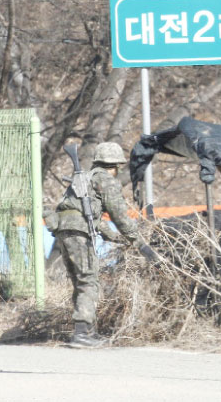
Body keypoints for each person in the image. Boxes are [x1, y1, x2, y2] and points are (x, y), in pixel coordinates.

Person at [54, 142, 156, 348]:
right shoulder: (106, 180)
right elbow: (120, 216)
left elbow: (91, 216)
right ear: (115, 166)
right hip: (79, 233)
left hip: (64, 230)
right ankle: (82, 333)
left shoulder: (85, 179)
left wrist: (114, 237)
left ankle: (87, 331)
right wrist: (139, 243)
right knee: (89, 281)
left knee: (80, 281)